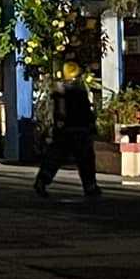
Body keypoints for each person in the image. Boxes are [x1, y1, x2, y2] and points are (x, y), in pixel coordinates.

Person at [34, 62, 103, 202]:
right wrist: (91, 126)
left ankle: (42, 181)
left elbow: (58, 112)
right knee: (85, 160)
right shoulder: (79, 92)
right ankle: (90, 186)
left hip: (64, 130)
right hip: (78, 129)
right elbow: (85, 112)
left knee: (54, 158)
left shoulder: (60, 93)